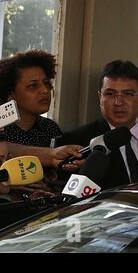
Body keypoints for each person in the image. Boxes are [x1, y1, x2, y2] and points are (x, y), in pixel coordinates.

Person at [57, 60, 138, 189]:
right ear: (100, 97)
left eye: (128, 94)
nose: (118, 102)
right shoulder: (77, 144)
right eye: (110, 94)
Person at [0, 50, 83, 199]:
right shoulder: (2, 129)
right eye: (33, 86)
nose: (44, 91)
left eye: (46, 83)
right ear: (11, 93)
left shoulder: (50, 128)